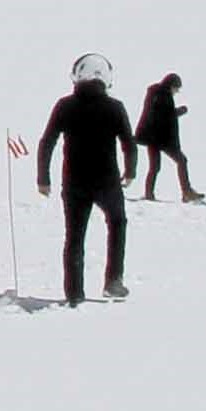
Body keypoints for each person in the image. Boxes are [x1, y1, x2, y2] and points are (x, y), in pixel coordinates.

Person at [37, 53, 139, 304]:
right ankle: (113, 280)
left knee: (74, 237)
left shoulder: (65, 105)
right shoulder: (115, 107)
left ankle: (74, 293)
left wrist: (43, 178)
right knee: (117, 224)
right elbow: (129, 143)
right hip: (107, 182)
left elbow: (47, 141)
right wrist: (131, 171)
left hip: (74, 183)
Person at [132, 72, 201, 200]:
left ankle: (149, 194)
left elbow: (158, 114)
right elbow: (164, 116)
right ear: (171, 85)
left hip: (152, 137)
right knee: (181, 161)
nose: (176, 91)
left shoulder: (156, 93)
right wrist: (180, 111)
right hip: (161, 138)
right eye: (176, 88)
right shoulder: (163, 95)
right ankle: (186, 192)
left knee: (155, 167)